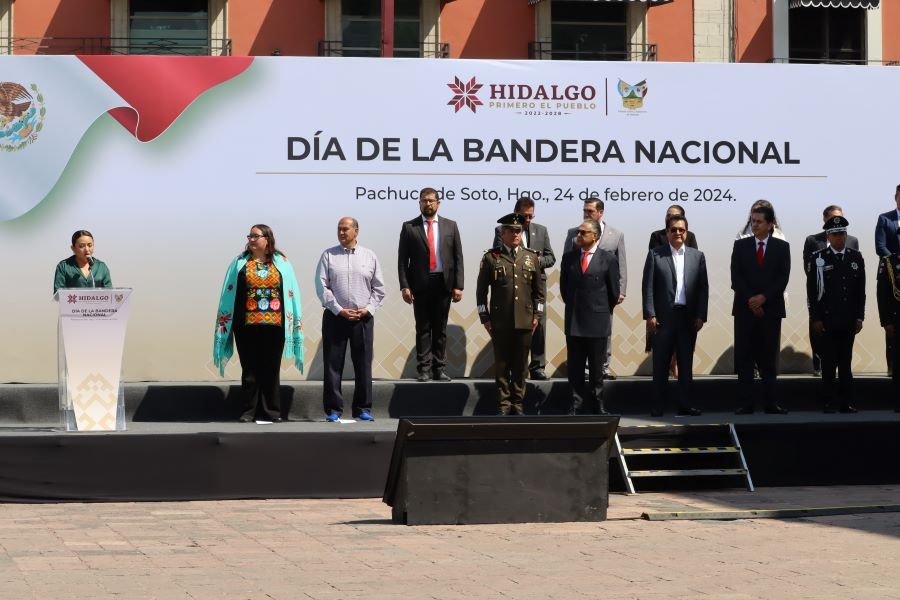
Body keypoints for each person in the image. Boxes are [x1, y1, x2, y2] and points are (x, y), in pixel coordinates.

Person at [213, 225, 304, 423]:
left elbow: (292, 293)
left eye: (256, 236)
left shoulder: (282, 262)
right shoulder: (239, 262)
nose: (251, 239)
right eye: (250, 236)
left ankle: (271, 411)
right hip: (246, 325)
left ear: (267, 239)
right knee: (250, 369)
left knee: (271, 369)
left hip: (275, 326)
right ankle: (248, 411)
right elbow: (229, 293)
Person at [315, 217, 385, 423]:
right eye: (339, 229)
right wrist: (338, 309)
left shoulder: (369, 256)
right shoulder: (328, 255)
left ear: (356, 231)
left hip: (362, 318)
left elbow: (379, 288)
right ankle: (333, 410)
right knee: (332, 364)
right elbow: (322, 287)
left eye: (346, 229)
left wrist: (368, 309)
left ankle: (362, 408)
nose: (342, 232)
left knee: (363, 364)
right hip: (335, 317)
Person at [476, 213, 544, 415]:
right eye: (511, 231)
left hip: (525, 321)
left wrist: (537, 317)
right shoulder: (491, 257)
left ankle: (518, 403)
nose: (515, 234)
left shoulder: (531, 257)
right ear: (502, 233)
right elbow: (481, 293)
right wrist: (484, 318)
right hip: (500, 321)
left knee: (521, 366)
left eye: (518, 231)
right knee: (502, 366)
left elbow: (539, 294)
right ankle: (504, 405)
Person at [642, 214, 708, 417]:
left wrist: (701, 315)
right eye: (674, 230)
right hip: (663, 318)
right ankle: (658, 405)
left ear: (687, 233)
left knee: (685, 364)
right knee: (660, 363)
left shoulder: (697, 256)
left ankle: (685, 404)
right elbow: (648, 287)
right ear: (667, 233)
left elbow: (703, 288)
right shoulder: (655, 255)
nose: (678, 233)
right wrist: (650, 314)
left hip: (688, 318)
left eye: (681, 230)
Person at [398, 187, 464, 382]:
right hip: (420, 284)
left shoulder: (450, 226)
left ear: (438, 203)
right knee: (423, 328)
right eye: (424, 201)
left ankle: (439, 369)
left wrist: (458, 285)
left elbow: (458, 257)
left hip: (443, 283)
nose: (427, 204)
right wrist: (405, 286)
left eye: (431, 201)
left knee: (440, 328)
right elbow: (403, 261)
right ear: (419, 203)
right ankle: (424, 370)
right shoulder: (409, 227)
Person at [731, 203, 790, 415]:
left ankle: (770, 403)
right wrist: (751, 300)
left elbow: (782, 278)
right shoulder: (741, 246)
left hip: (770, 310)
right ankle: (746, 404)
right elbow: (736, 278)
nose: (754, 225)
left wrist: (763, 298)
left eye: (759, 222)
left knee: (768, 359)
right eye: (753, 221)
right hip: (745, 310)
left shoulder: (782, 248)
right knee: (745, 358)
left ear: (770, 224)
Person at [805, 216, 865, 413]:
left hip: (848, 320)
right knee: (829, 364)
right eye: (835, 234)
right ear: (828, 237)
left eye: (842, 234)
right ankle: (829, 401)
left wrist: (859, 316)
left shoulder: (855, 258)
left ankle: (847, 402)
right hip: (827, 320)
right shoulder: (819, 258)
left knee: (845, 364)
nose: (839, 238)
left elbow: (860, 291)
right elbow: (812, 292)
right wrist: (816, 317)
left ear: (846, 235)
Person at [492, 196, 555, 380]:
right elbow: (498, 255)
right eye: (525, 216)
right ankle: (515, 368)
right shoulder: (501, 230)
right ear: (516, 212)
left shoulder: (541, 231)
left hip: (536, 287)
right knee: (515, 326)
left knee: (539, 325)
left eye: (531, 216)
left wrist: (535, 262)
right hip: (513, 286)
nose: (528, 220)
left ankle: (537, 367)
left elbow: (551, 257)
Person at [560, 219, 619, 415]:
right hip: (575, 321)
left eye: (583, 233)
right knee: (575, 369)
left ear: (595, 236)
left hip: (597, 322)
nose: (578, 236)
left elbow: (613, 292)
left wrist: (598, 309)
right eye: (578, 232)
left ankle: (597, 404)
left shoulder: (608, 259)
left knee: (596, 370)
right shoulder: (569, 258)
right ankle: (575, 404)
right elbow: (564, 290)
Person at [563, 197, 626, 380]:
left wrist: (620, 289)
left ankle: (603, 367)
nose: (586, 214)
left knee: (604, 330)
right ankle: (583, 369)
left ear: (600, 212)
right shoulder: (574, 233)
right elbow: (567, 265)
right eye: (584, 210)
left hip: (603, 294)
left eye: (590, 211)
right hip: (579, 297)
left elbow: (621, 264)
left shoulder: (616, 234)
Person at [802, 205, 860, 376]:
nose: (838, 222)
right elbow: (809, 268)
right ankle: (818, 364)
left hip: (843, 299)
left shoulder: (852, 240)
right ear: (825, 219)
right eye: (833, 218)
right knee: (817, 329)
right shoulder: (812, 240)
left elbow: (854, 271)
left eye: (841, 217)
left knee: (842, 339)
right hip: (821, 296)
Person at [874, 185, 900, 377]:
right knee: (892, 325)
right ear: (896, 198)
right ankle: (892, 366)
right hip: (891, 277)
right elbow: (880, 246)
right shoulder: (885, 219)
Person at [876, 249, 900, 411]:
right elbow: (882, 294)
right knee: (898, 363)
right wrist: (885, 321)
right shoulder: (889, 262)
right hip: (897, 319)